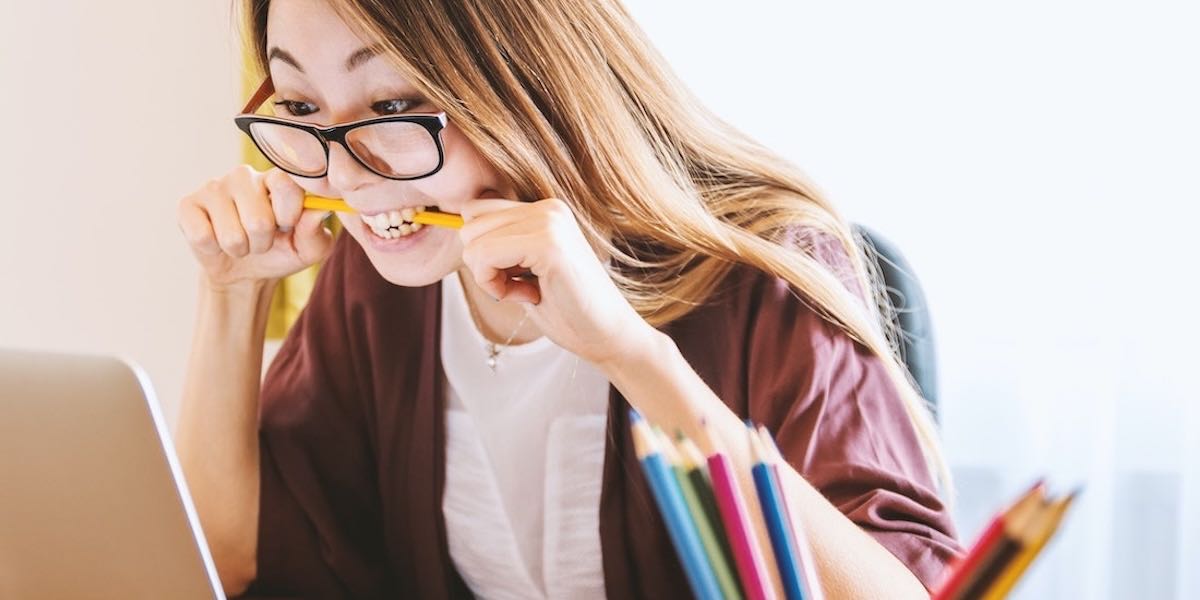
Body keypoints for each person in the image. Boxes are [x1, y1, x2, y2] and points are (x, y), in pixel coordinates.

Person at [175, 0, 962, 597]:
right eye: (303, 108)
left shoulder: (766, 273)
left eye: (391, 106)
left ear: (528, 82)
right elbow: (229, 555)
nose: (343, 177)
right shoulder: (384, 281)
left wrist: (629, 352)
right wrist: (230, 295)